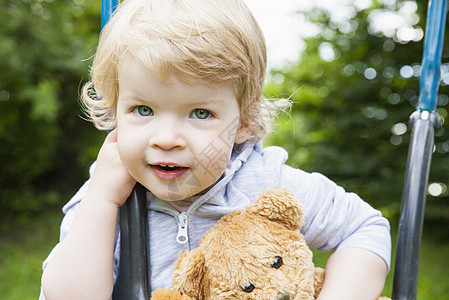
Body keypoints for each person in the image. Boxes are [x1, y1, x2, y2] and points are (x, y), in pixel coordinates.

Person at [40, 0, 391, 299]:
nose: (166, 138)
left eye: (200, 113)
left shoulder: (268, 181)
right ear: (114, 109)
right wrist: (102, 201)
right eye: (143, 110)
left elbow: (365, 228)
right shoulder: (104, 198)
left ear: (244, 122)